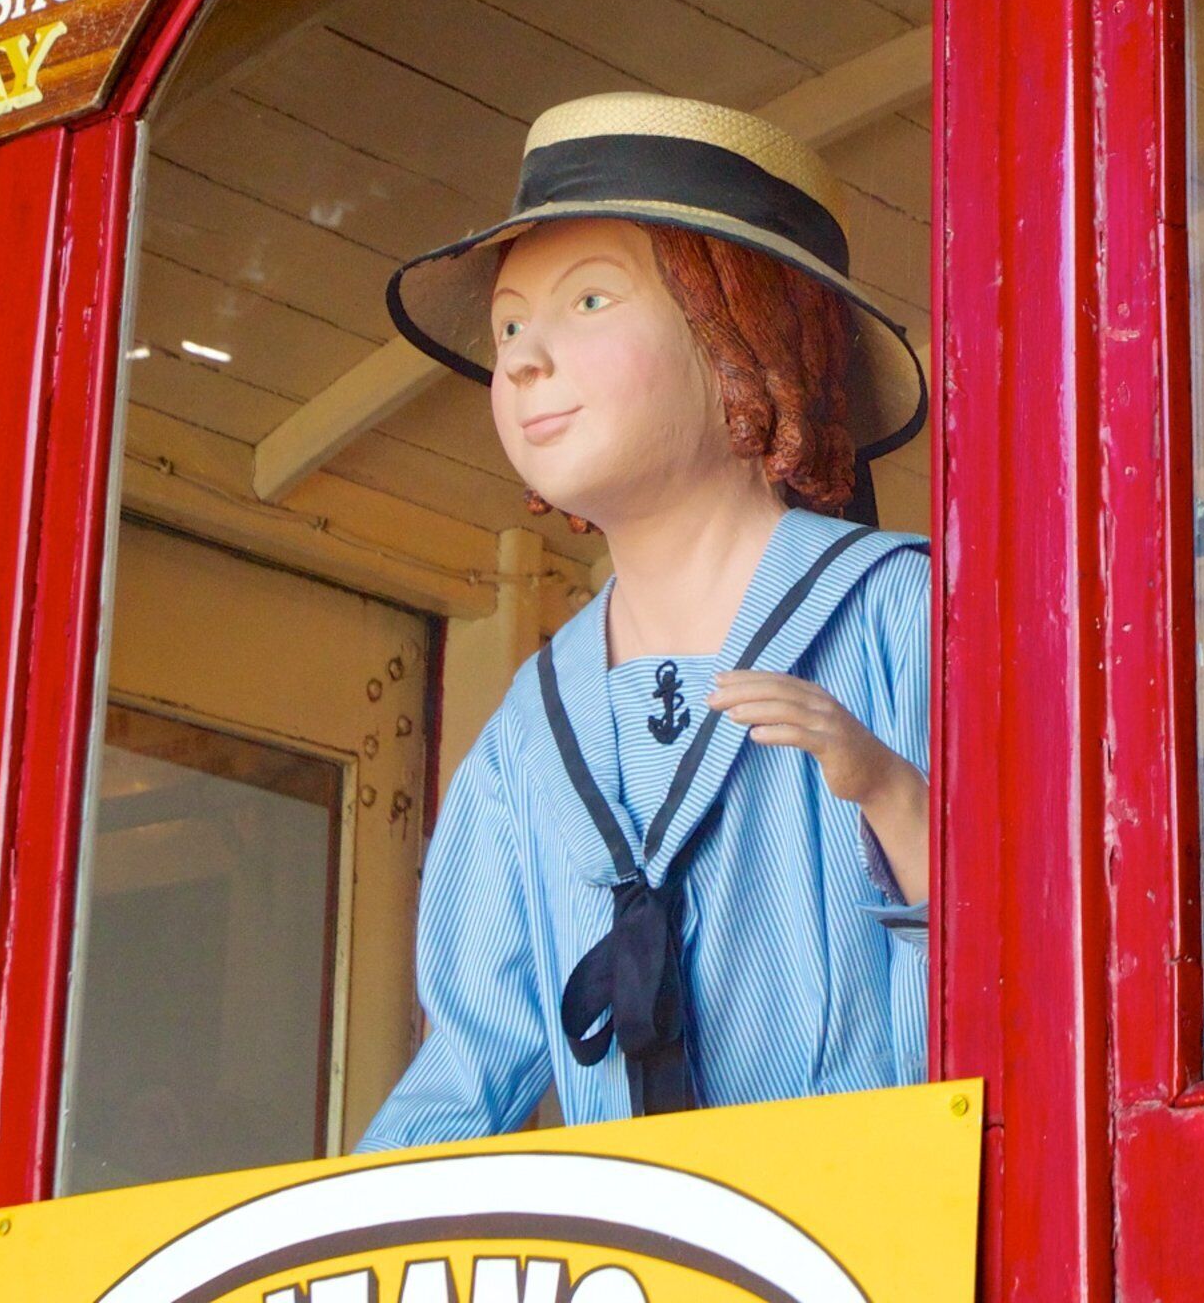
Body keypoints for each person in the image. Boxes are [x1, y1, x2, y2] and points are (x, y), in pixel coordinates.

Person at [356, 93, 932, 1149]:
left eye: (587, 304)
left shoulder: (902, 614)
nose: (524, 359)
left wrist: (895, 796)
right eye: (509, 326)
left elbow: (1042, 978)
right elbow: (468, 1065)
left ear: (743, 335)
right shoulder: (532, 729)